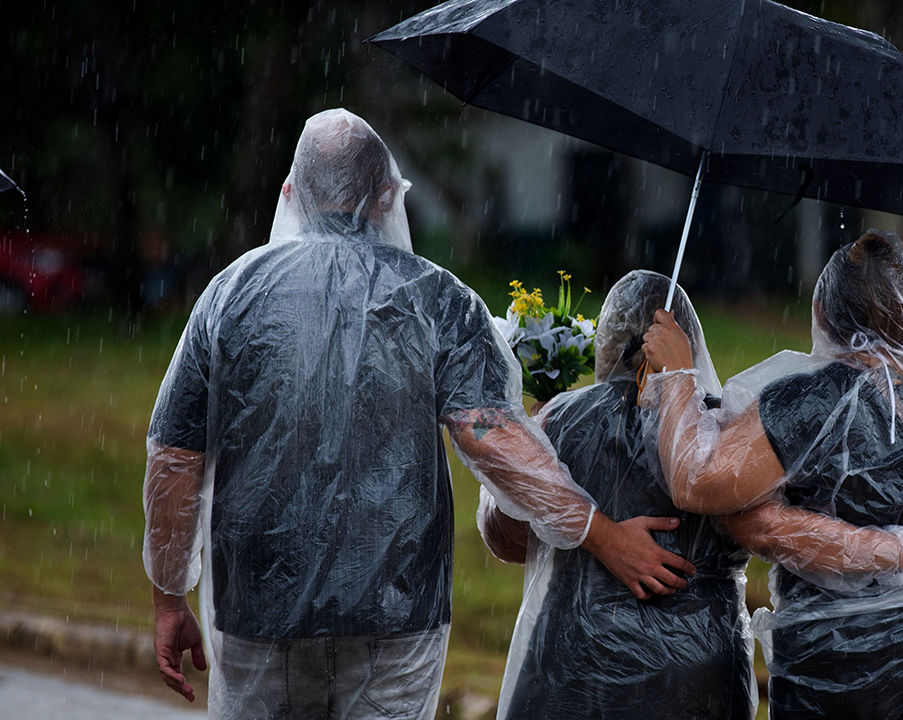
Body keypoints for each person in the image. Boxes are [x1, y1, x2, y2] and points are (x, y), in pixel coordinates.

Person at [141, 108, 693, 720]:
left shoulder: (230, 296)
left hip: (259, 608)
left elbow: (174, 460)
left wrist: (170, 597)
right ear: (385, 198)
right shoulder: (438, 299)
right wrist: (604, 534)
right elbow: (492, 437)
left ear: (290, 193)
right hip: (396, 612)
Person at [479, 270, 903, 719]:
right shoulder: (725, 434)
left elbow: (506, 539)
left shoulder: (558, 422)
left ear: (606, 341)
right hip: (697, 678)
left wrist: (546, 461)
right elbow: (764, 529)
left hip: (567, 673)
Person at [642, 230, 903, 720]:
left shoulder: (805, 403)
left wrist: (677, 374)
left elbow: (699, 483)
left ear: (822, 315)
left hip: (835, 671)